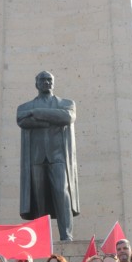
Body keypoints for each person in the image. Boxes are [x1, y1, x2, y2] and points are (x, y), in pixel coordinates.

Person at [17, 70, 79, 241]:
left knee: (62, 192)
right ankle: (41, 239)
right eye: (43, 80)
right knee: (39, 198)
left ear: (53, 82)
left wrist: (37, 113)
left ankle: (66, 236)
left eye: (49, 80)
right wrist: (52, 119)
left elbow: (66, 117)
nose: (46, 82)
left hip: (58, 157)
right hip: (36, 158)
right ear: (36, 84)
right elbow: (22, 120)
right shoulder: (24, 107)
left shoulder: (66, 103)